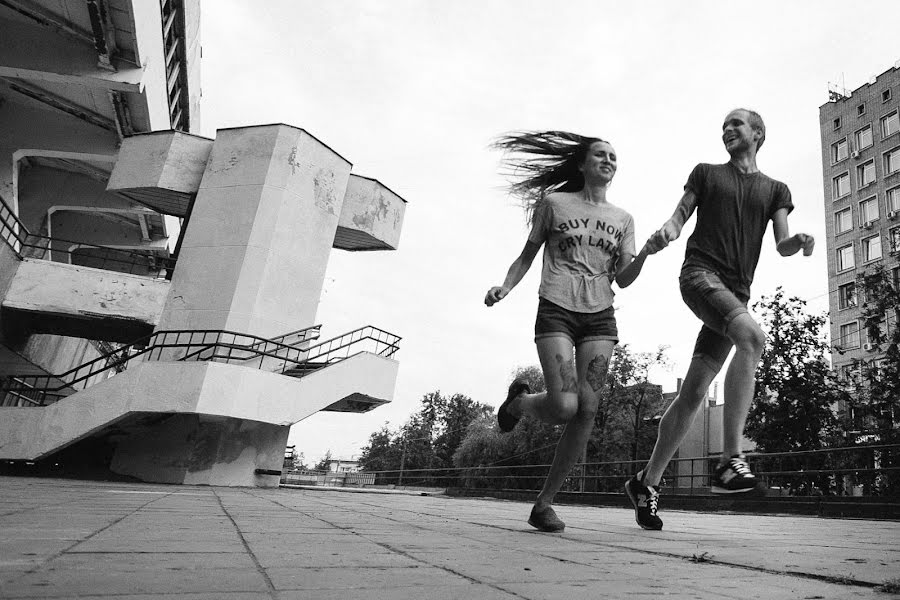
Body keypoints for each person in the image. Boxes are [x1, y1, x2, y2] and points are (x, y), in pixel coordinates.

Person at [625, 109, 815, 530]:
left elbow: (781, 242)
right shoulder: (707, 174)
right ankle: (731, 462)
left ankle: (646, 482)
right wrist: (668, 231)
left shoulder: (775, 190)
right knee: (752, 338)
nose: (728, 130)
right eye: (724, 126)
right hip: (699, 276)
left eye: (737, 124)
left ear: (758, 133)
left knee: (693, 392)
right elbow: (680, 214)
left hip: (733, 294)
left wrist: (796, 241)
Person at [485, 131, 649, 532]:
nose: (608, 160)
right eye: (600, 154)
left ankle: (544, 504)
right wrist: (505, 287)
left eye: (614, 156)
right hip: (556, 307)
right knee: (564, 407)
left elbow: (624, 279)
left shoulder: (623, 219)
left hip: (599, 316)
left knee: (587, 410)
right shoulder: (554, 204)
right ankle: (519, 403)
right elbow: (527, 256)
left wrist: (646, 252)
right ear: (582, 164)